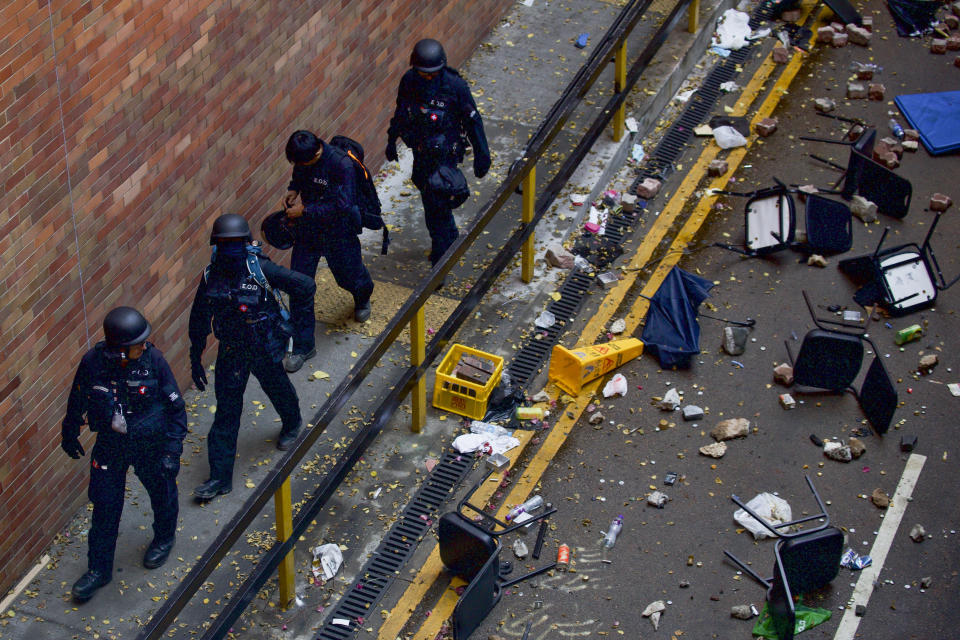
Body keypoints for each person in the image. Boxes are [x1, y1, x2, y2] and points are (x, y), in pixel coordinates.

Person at [61, 307, 187, 602]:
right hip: (111, 444)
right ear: (119, 350)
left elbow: (175, 408)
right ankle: (98, 570)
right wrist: (69, 431)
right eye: (137, 343)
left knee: (161, 490)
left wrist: (172, 450)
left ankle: (164, 538)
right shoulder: (93, 363)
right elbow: (77, 397)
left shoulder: (153, 360)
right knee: (105, 506)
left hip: (148, 443)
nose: (144, 345)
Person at [188, 214, 316, 501]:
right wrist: (195, 355)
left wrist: (300, 335)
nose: (230, 250)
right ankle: (220, 478)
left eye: (235, 243)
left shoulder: (260, 269)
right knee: (226, 412)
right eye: (225, 244)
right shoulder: (211, 275)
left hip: (263, 345)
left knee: (277, 387)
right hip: (232, 351)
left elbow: (305, 286)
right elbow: (199, 317)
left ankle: (293, 423)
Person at [385, 38, 491, 268]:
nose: (429, 78)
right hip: (422, 153)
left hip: (445, 156)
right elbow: (401, 112)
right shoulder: (410, 82)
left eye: (433, 73)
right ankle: (448, 241)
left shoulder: (455, 86)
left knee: (437, 207)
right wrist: (392, 139)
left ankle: (443, 257)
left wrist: (482, 156)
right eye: (425, 73)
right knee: (432, 204)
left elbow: (473, 121)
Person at [281, 130, 375, 373]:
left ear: (317, 153)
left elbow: (342, 205)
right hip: (308, 234)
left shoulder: (341, 164)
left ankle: (362, 295)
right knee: (299, 286)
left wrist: (305, 210)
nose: (300, 166)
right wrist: (293, 189)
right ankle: (303, 346)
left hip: (338, 232)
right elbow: (299, 174)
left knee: (349, 277)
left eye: (303, 162)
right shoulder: (304, 160)